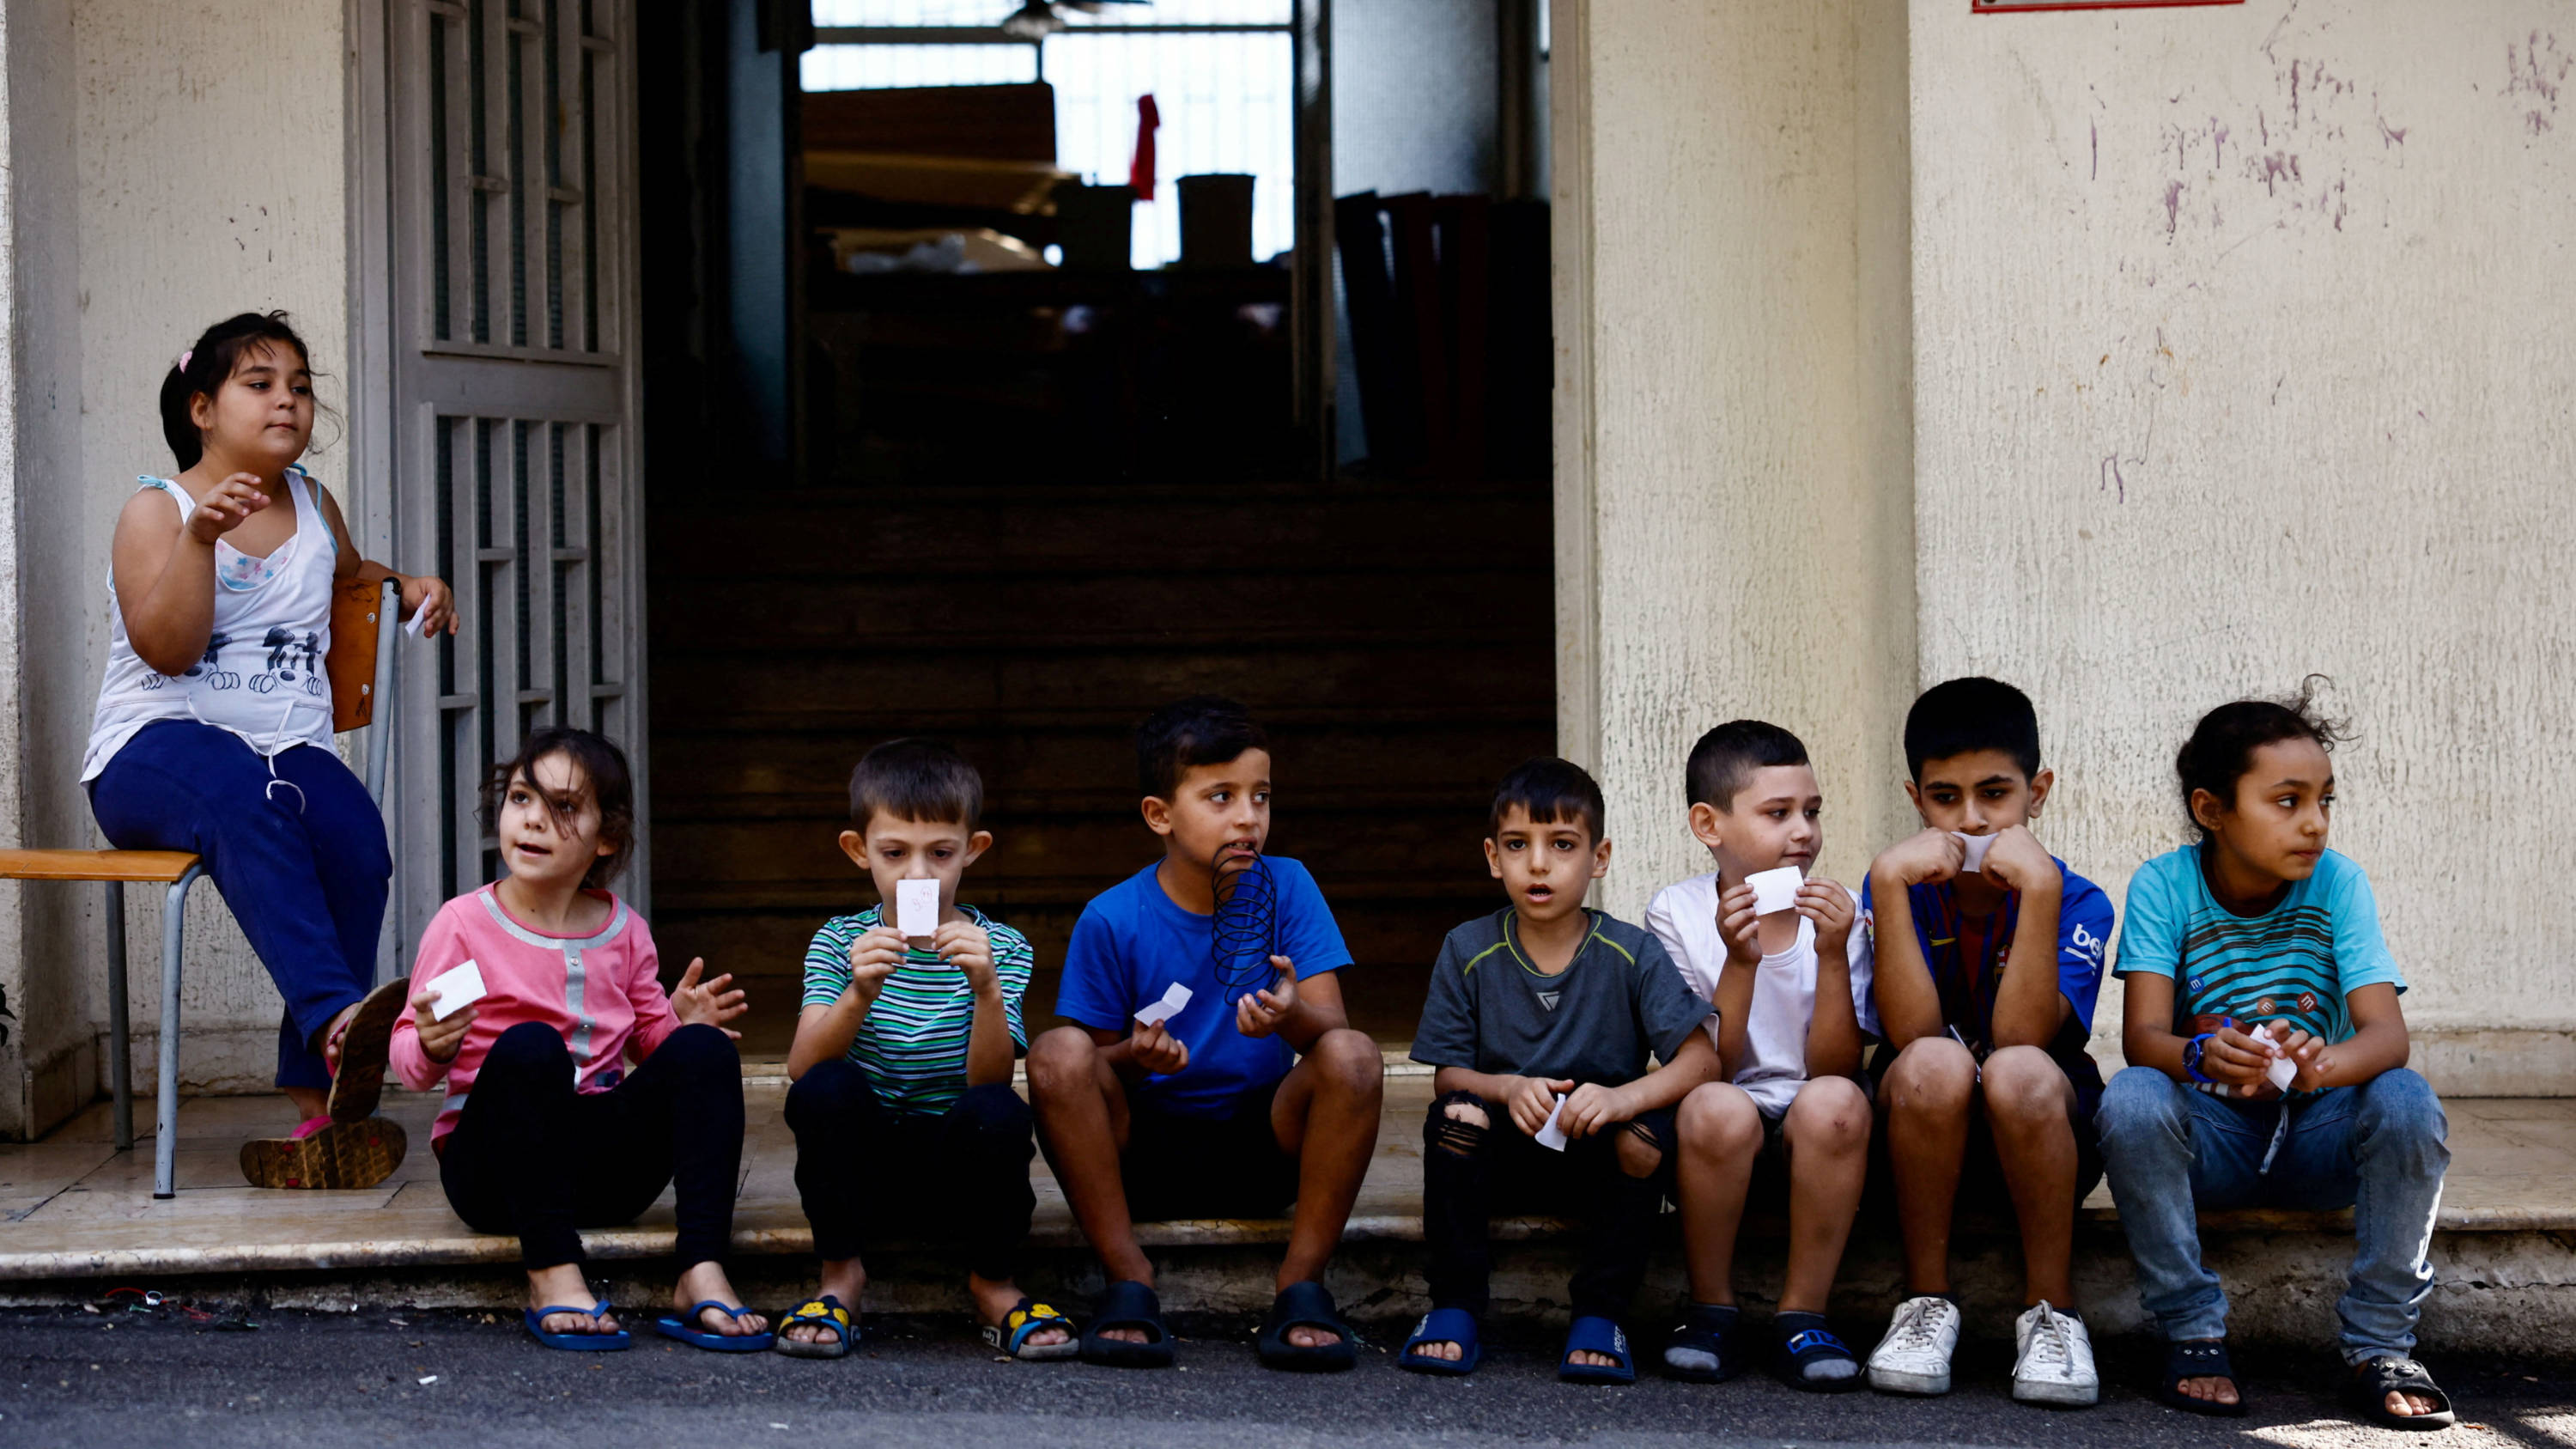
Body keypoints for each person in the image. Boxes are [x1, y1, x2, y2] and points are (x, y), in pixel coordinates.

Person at [82, 311, 458, 1187]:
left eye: (299, 384)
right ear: (203, 407)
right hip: (153, 754)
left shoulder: (314, 505)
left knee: (356, 839)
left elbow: (354, 575)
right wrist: (201, 539)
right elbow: (167, 651)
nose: (286, 399)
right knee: (241, 792)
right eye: (260, 384)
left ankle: (313, 1107)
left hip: (286, 751)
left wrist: (411, 584)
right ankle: (337, 1026)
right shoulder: (157, 510)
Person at [2095, 680, 2453, 1429]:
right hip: (2216, 1143)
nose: (2314, 823)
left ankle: (2380, 1341)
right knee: (2130, 1094)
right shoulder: (2165, 885)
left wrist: (2324, 1065)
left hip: (2319, 1136)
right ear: (2211, 810)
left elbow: (2387, 1037)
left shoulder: (2338, 882)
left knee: (2407, 1096)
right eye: (2287, 801)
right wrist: (2202, 1055)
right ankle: (2192, 1326)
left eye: (2326, 800)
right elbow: (2144, 1038)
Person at [1026, 696, 1383, 1370]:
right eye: (1220, 796)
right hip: (1143, 1151)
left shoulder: (1290, 886)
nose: (1248, 817)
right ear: (1159, 814)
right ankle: (1129, 1279)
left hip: (1264, 1142)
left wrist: (1290, 1015)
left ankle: (1301, 1283)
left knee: (1357, 1054)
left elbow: (1332, 1038)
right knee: (1056, 1052)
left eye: (1261, 796)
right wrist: (1135, 1054)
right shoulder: (1112, 917)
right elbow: (1091, 1075)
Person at [388, 728, 768, 1353]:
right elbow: (411, 1067)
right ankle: (552, 1270)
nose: (533, 819)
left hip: (605, 1174)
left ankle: (701, 1265)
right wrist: (430, 1042)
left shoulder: (625, 932)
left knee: (707, 1051)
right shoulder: (465, 926)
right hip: (494, 1178)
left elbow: (649, 1043)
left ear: (607, 836)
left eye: (563, 807)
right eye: (520, 797)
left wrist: (679, 1024)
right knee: (531, 1045)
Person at [1401, 758, 1722, 1385]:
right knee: (1456, 1114)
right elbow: (1448, 1074)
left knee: (1646, 1133)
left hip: (1597, 1154)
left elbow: (1702, 1059)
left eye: (1563, 844)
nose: (1539, 863)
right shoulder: (1468, 948)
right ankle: (1455, 1303)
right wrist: (1507, 1087)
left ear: (1598, 858)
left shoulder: (1630, 951)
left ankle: (1602, 1312)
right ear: (1494, 857)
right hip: (1502, 1155)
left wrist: (1624, 1097)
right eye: (1519, 845)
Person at [773, 739, 1070, 1362]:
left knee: (999, 1110)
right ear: (859, 852)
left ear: (974, 850)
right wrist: (858, 991)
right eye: (894, 852)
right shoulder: (839, 940)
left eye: (940, 853)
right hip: (866, 1169)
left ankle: (993, 1282)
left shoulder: (1001, 946)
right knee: (825, 1090)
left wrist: (986, 988)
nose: (918, 874)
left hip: (952, 1171)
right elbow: (802, 1066)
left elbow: (988, 1080)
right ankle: (840, 1277)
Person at [1859, 678, 2112, 1405]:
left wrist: (2038, 894)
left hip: (2039, 1138)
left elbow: (2020, 1035)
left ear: (2039, 790)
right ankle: (1925, 1302)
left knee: (2020, 1070)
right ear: (1916, 798)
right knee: (1933, 1057)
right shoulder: (1900, 885)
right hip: (1919, 1134)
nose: (1970, 820)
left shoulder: (2078, 897)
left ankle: (2052, 1313)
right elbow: (1909, 1037)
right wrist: (1884, 882)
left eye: (1995, 793)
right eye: (1945, 797)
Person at [1645, 721, 1874, 1390]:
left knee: (1837, 1101)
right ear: (1708, 824)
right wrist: (1739, 963)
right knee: (1715, 1105)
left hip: (1815, 1119)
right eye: (1777, 813)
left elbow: (1835, 1067)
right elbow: (1709, 1064)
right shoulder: (1678, 913)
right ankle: (1710, 1305)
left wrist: (1832, 954)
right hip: (1722, 1113)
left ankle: (1803, 1311)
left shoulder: (1842, 914)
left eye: (1812, 811)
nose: (1802, 831)